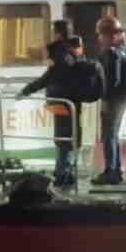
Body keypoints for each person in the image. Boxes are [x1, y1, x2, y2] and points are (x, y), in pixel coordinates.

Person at [19, 21, 102, 189]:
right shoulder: (71, 52)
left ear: (58, 33)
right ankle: (64, 172)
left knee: (65, 138)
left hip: (62, 100)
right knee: (68, 138)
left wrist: (27, 90)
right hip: (68, 101)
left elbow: (49, 77)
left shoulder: (60, 54)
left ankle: (63, 173)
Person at [94, 15, 126, 185]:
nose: (100, 38)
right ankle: (115, 170)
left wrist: (104, 96)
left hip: (114, 100)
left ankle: (111, 172)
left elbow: (112, 80)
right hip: (123, 98)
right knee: (113, 135)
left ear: (110, 35)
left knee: (109, 136)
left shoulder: (113, 53)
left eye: (101, 34)